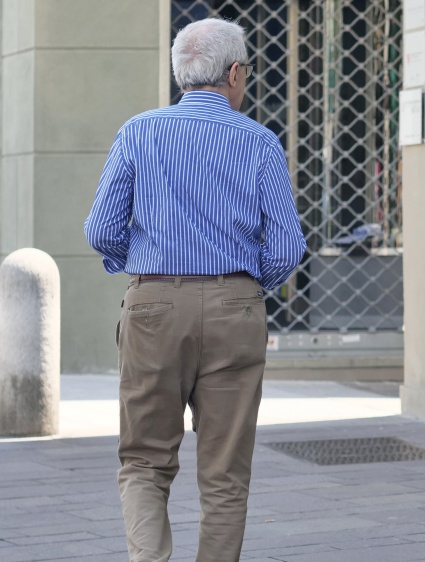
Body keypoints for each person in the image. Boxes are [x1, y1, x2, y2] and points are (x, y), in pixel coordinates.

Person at [84, 18, 306, 562]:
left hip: (154, 304)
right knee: (225, 471)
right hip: (235, 307)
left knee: (143, 460)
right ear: (234, 73)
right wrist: (246, 287)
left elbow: (100, 229)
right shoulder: (259, 141)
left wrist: (140, 269)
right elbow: (287, 247)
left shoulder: (138, 131)